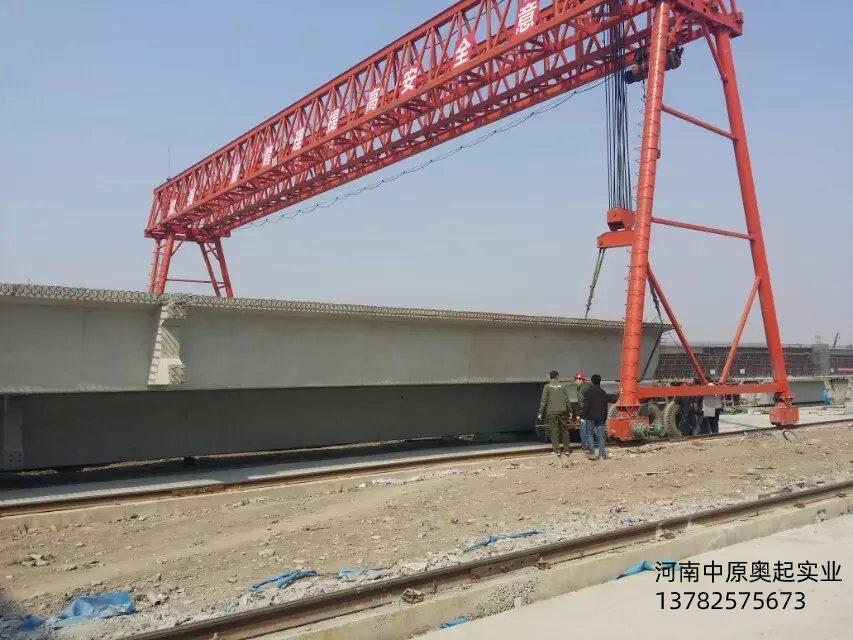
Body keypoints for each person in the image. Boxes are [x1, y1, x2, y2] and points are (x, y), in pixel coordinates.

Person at [537, 370, 571, 466]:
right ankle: (567, 450)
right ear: (557, 377)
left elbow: (544, 401)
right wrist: (570, 410)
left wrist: (540, 413)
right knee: (564, 430)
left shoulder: (547, 387)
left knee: (554, 431)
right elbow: (567, 400)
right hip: (562, 411)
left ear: (550, 377)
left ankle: (557, 450)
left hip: (551, 412)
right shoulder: (563, 386)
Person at [582, 374, 609, 460]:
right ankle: (601, 455)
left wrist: (583, 416)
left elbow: (586, 406)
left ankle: (592, 452)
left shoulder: (589, 392)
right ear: (600, 381)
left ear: (592, 381)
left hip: (590, 416)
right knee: (601, 436)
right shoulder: (604, 393)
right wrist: (605, 418)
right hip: (600, 417)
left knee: (589, 434)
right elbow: (606, 407)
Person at [573, 371, 592, 456]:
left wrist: (580, 413)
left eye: (576, 380)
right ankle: (587, 446)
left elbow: (583, 403)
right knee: (586, 429)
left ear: (581, 380)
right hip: (587, 412)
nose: (575, 382)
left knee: (584, 429)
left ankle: (586, 446)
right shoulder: (584, 387)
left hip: (585, 413)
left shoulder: (583, 389)